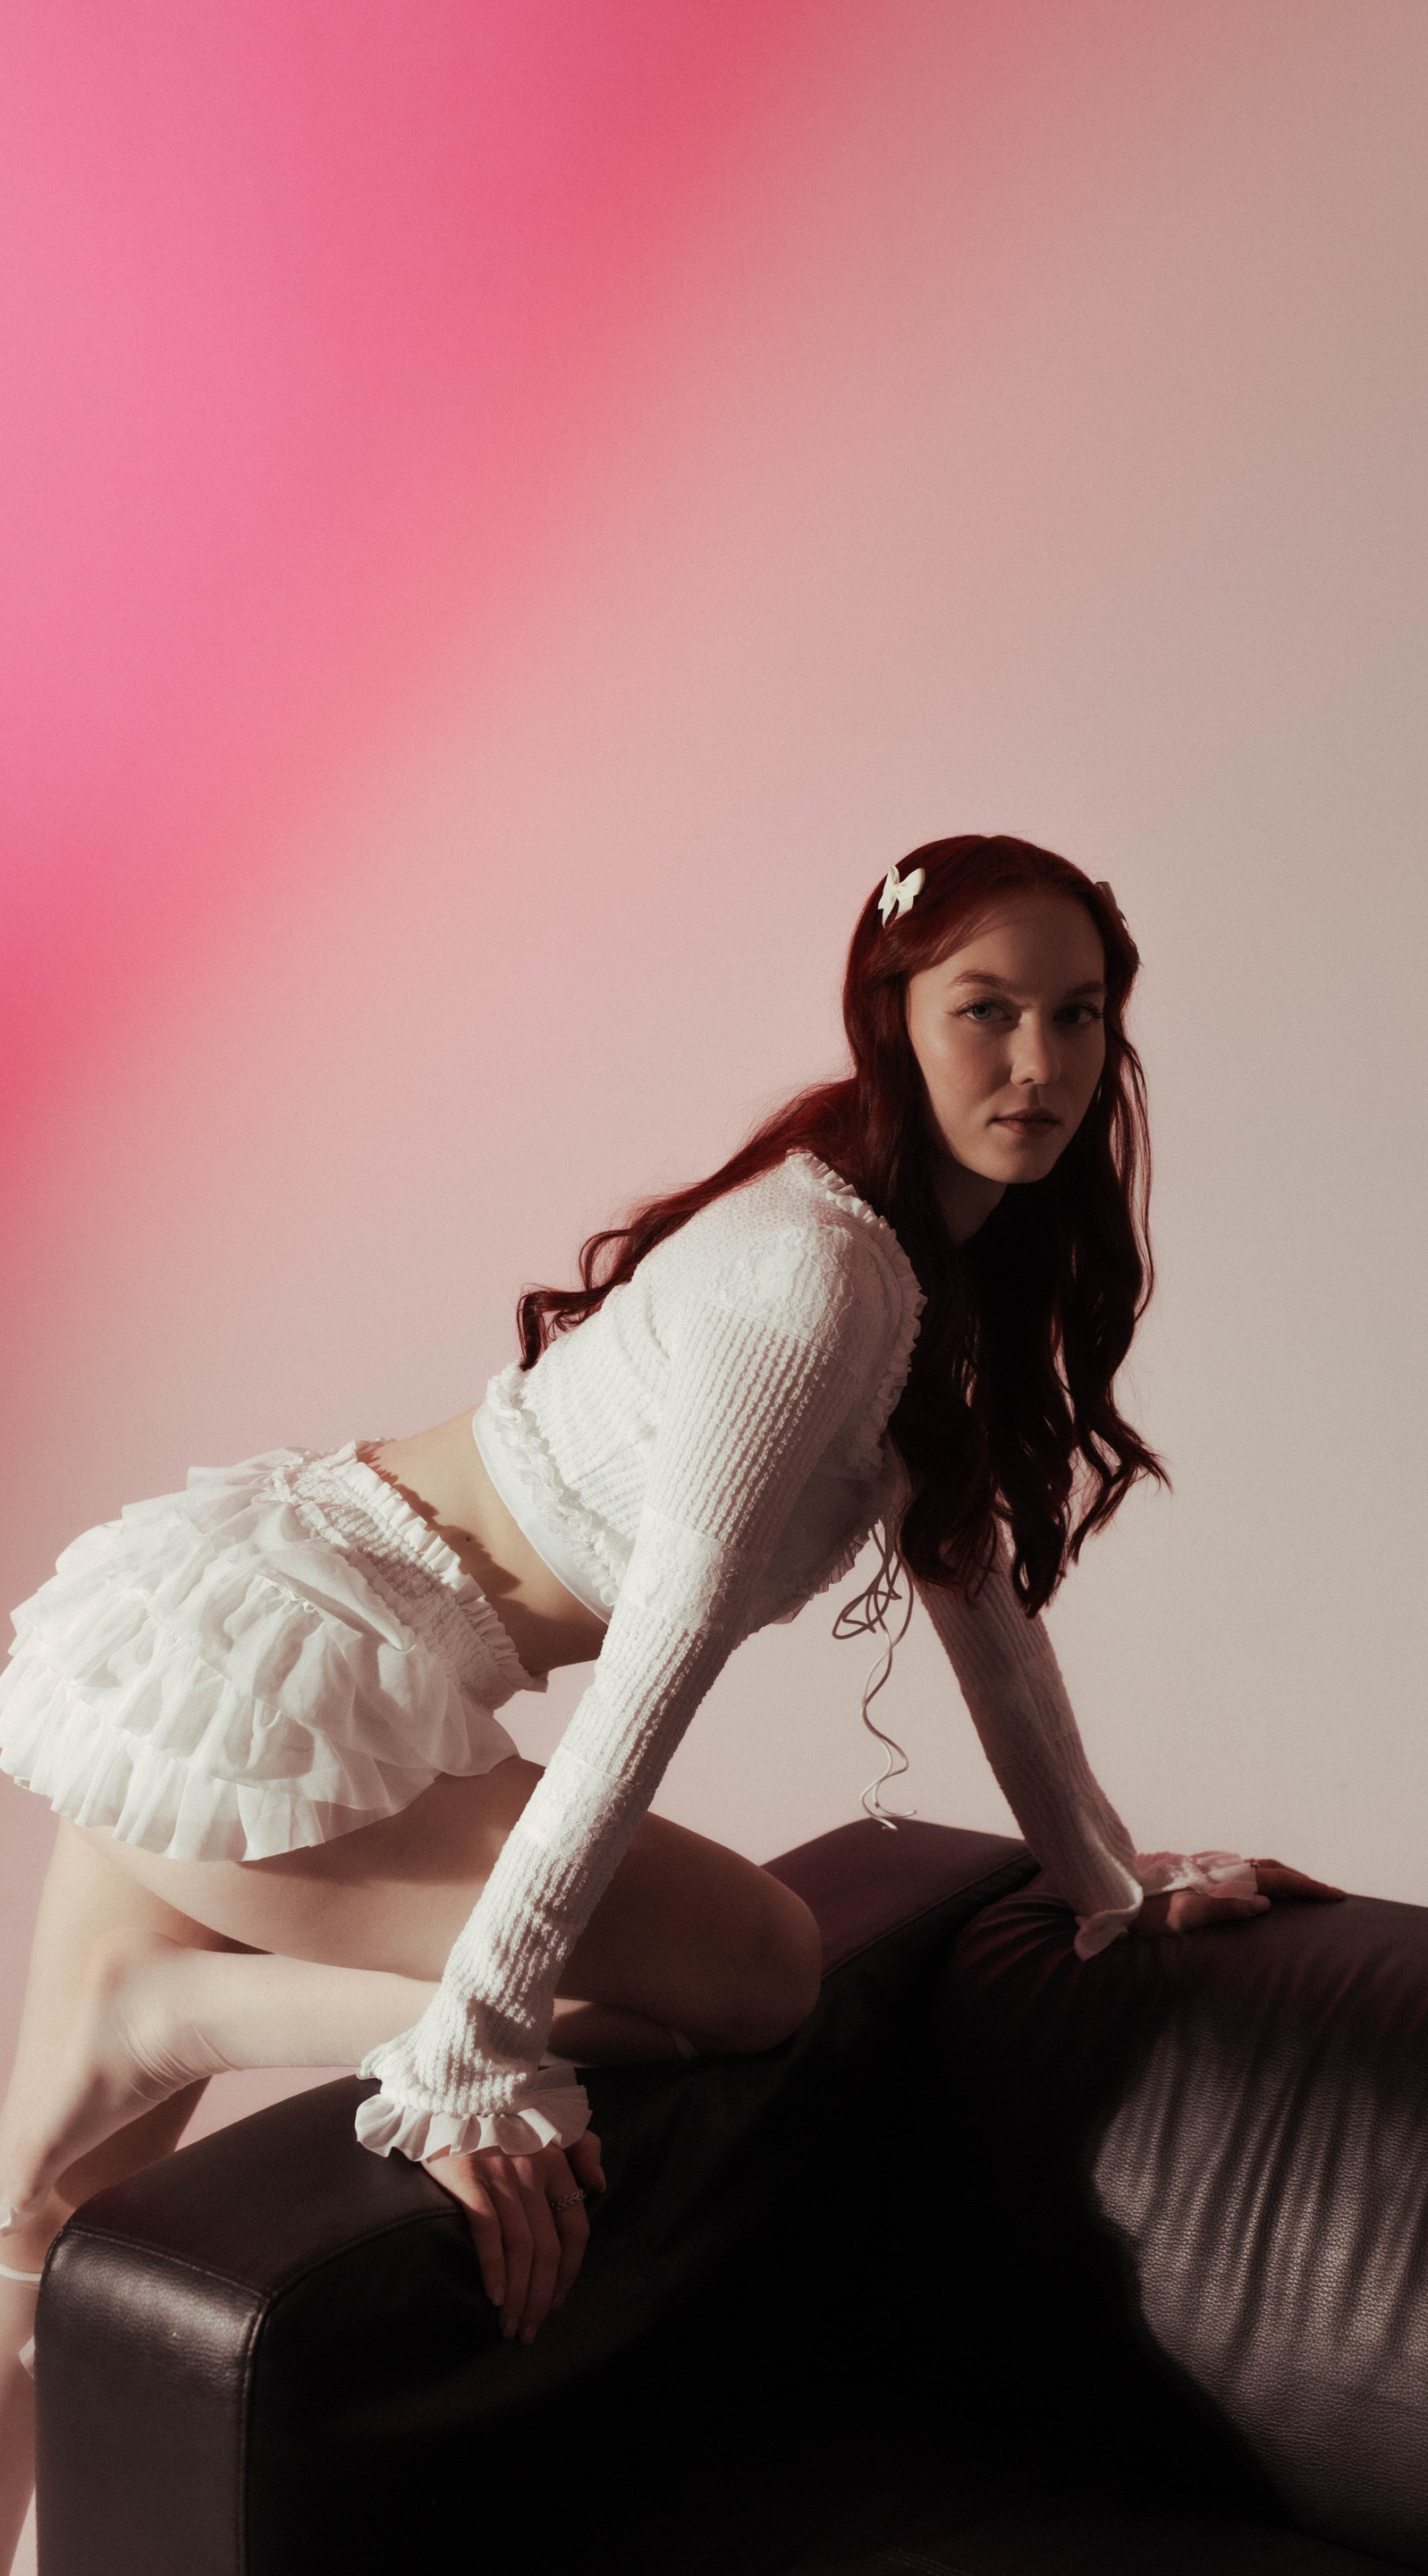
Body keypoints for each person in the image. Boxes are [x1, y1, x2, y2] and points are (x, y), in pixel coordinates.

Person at [0, 833, 1339, 2563]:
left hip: (257, 1632)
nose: (1038, 1064)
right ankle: (162, 2015)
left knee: (33, 2230)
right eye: (986, 1011)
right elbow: (658, 1659)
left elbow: (983, 1614)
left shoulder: (915, 1262)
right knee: (765, 1970)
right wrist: (472, 2050)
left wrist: (1106, 1887)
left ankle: (153, 2025)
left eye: (1077, 1016)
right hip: (279, 1672)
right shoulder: (818, 1273)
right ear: (891, 1017)